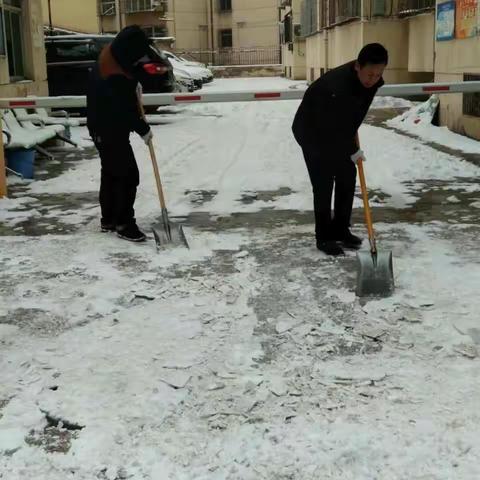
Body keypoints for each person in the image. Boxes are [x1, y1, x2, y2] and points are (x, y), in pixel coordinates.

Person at [292, 43, 388, 256]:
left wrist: (350, 145)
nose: (373, 79)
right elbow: (334, 127)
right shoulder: (338, 88)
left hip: (338, 127)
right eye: (369, 74)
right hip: (312, 131)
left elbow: (354, 113)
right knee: (324, 182)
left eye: (377, 74)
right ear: (357, 67)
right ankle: (324, 237)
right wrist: (351, 149)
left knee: (346, 175)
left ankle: (340, 230)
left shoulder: (371, 82)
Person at [87, 25, 153, 242]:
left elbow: (132, 74)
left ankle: (109, 219)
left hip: (101, 125)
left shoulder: (113, 53)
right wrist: (143, 129)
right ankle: (125, 223)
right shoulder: (113, 73)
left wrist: (135, 79)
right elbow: (123, 108)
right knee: (127, 174)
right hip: (108, 128)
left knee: (111, 172)